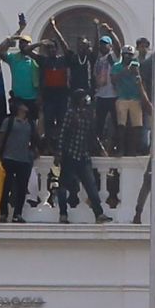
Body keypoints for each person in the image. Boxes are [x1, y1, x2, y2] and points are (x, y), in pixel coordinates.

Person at [55, 91, 109, 224]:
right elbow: (63, 133)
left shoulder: (88, 114)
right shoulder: (71, 113)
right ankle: (63, 214)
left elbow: (92, 134)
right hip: (70, 155)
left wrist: (100, 148)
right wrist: (59, 152)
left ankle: (99, 213)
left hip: (83, 156)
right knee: (63, 186)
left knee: (91, 185)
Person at [0, 101, 38, 223]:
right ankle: (3, 213)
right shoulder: (9, 121)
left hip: (24, 159)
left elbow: (34, 139)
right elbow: (2, 137)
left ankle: (17, 213)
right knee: (6, 186)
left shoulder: (30, 123)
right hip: (9, 157)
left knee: (22, 188)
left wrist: (34, 151)